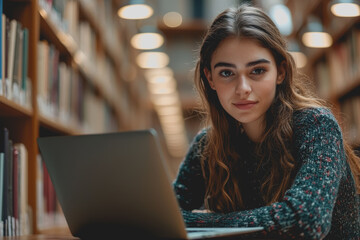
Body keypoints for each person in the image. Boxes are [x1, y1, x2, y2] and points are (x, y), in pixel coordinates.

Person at [173, 4, 360, 239]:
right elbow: (163, 214)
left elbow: (304, 222)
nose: (242, 89)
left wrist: (203, 220)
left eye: (257, 71)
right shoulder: (207, 145)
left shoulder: (317, 126)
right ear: (210, 78)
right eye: (226, 73)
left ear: (280, 72)